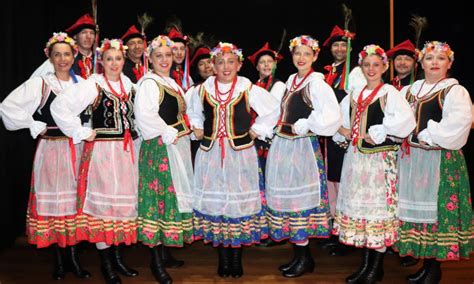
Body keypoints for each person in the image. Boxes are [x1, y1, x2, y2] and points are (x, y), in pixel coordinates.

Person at [0, 32, 90, 280]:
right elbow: (8, 107)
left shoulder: (81, 84)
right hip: (51, 150)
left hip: (77, 149)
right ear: (50, 57)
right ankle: (60, 261)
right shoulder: (41, 84)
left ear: (74, 56)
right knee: (55, 205)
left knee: (73, 204)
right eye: (57, 54)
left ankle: (73, 257)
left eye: (67, 54)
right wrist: (30, 123)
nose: (62, 59)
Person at [51, 38, 139, 284]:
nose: (114, 63)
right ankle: (107, 265)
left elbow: (138, 117)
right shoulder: (93, 85)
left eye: (118, 58)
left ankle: (118, 258)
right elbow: (60, 107)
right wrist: (79, 131)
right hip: (101, 153)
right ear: (101, 61)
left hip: (124, 154)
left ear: (124, 60)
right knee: (102, 210)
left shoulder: (130, 85)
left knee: (119, 209)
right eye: (109, 59)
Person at [188, 42, 279, 278]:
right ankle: (223, 257)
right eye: (220, 62)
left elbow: (273, 110)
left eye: (231, 62)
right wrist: (197, 126)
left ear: (238, 64)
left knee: (237, 205)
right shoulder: (203, 89)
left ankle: (236, 257)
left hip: (240, 155)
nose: (225, 67)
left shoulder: (247, 88)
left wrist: (256, 129)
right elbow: (193, 111)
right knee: (218, 204)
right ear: (213, 65)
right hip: (210, 155)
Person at [332, 44, 416, 283]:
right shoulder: (354, 94)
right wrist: (342, 129)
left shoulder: (389, 92)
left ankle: (375, 267)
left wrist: (381, 130)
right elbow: (336, 118)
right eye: (367, 65)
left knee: (377, 211)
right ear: (361, 67)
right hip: (356, 160)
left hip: (380, 161)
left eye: (376, 65)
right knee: (363, 210)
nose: (371, 69)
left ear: (384, 67)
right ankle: (368, 266)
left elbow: (405, 122)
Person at [395, 41, 473, 283]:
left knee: (436, 213)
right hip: (412, 160)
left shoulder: (454, 91)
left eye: (441, 59)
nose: (435, 63)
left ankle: (433, 268)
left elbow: (460, 123)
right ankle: (424, 263)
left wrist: (431, 133)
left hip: (440, 159)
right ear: (421, 63)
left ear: (449, 63)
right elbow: (396, 118)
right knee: (418, 210)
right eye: (430, 59)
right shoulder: (410, 90)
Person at [264, 35, 341, 278]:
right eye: (298, 53)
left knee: (300, 202)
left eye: (307, 54)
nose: (301, 58)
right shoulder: (291, 82)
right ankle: (300, 255)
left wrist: (308, 123)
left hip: (302, 149)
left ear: (315, 57)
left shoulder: (316, 84)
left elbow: (332, 116)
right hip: (283, 146)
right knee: (289, 201)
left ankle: (305, 258)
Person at [134, 35, 195, 284]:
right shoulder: (148, 83)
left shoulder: (170, 82)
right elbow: (144, 115)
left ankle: (165, 253)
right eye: (158, 56)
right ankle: (156, 262)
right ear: (150, 58)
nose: (164, 60)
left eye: (168, 55)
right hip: (159, 148)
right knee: (160, 200)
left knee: (170, 198)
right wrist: (164, 130)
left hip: (174, 147)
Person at [319, 25, 359, 254]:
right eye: (336, 44)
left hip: (344, 134)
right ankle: (336, 231)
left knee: (345, 183)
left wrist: (347, 130)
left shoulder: (355, 72)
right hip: (329, 136)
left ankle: (348, 236)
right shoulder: (328, 72)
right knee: (332, 183)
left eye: (344, 44)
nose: (340, 48)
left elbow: (356, 104)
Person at [31, 14, 96, 79]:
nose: (88, 36)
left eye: (92, 33)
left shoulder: (100, 61)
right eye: (84, 32)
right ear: (75, 36)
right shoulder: (63, 59)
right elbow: (35, 81)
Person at [187, 45, 214, 164]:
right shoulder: (193, 90)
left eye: (209, 62)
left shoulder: (229, 86)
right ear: (197, 70)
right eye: (201, 64)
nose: (207, 66)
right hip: (203, 143)